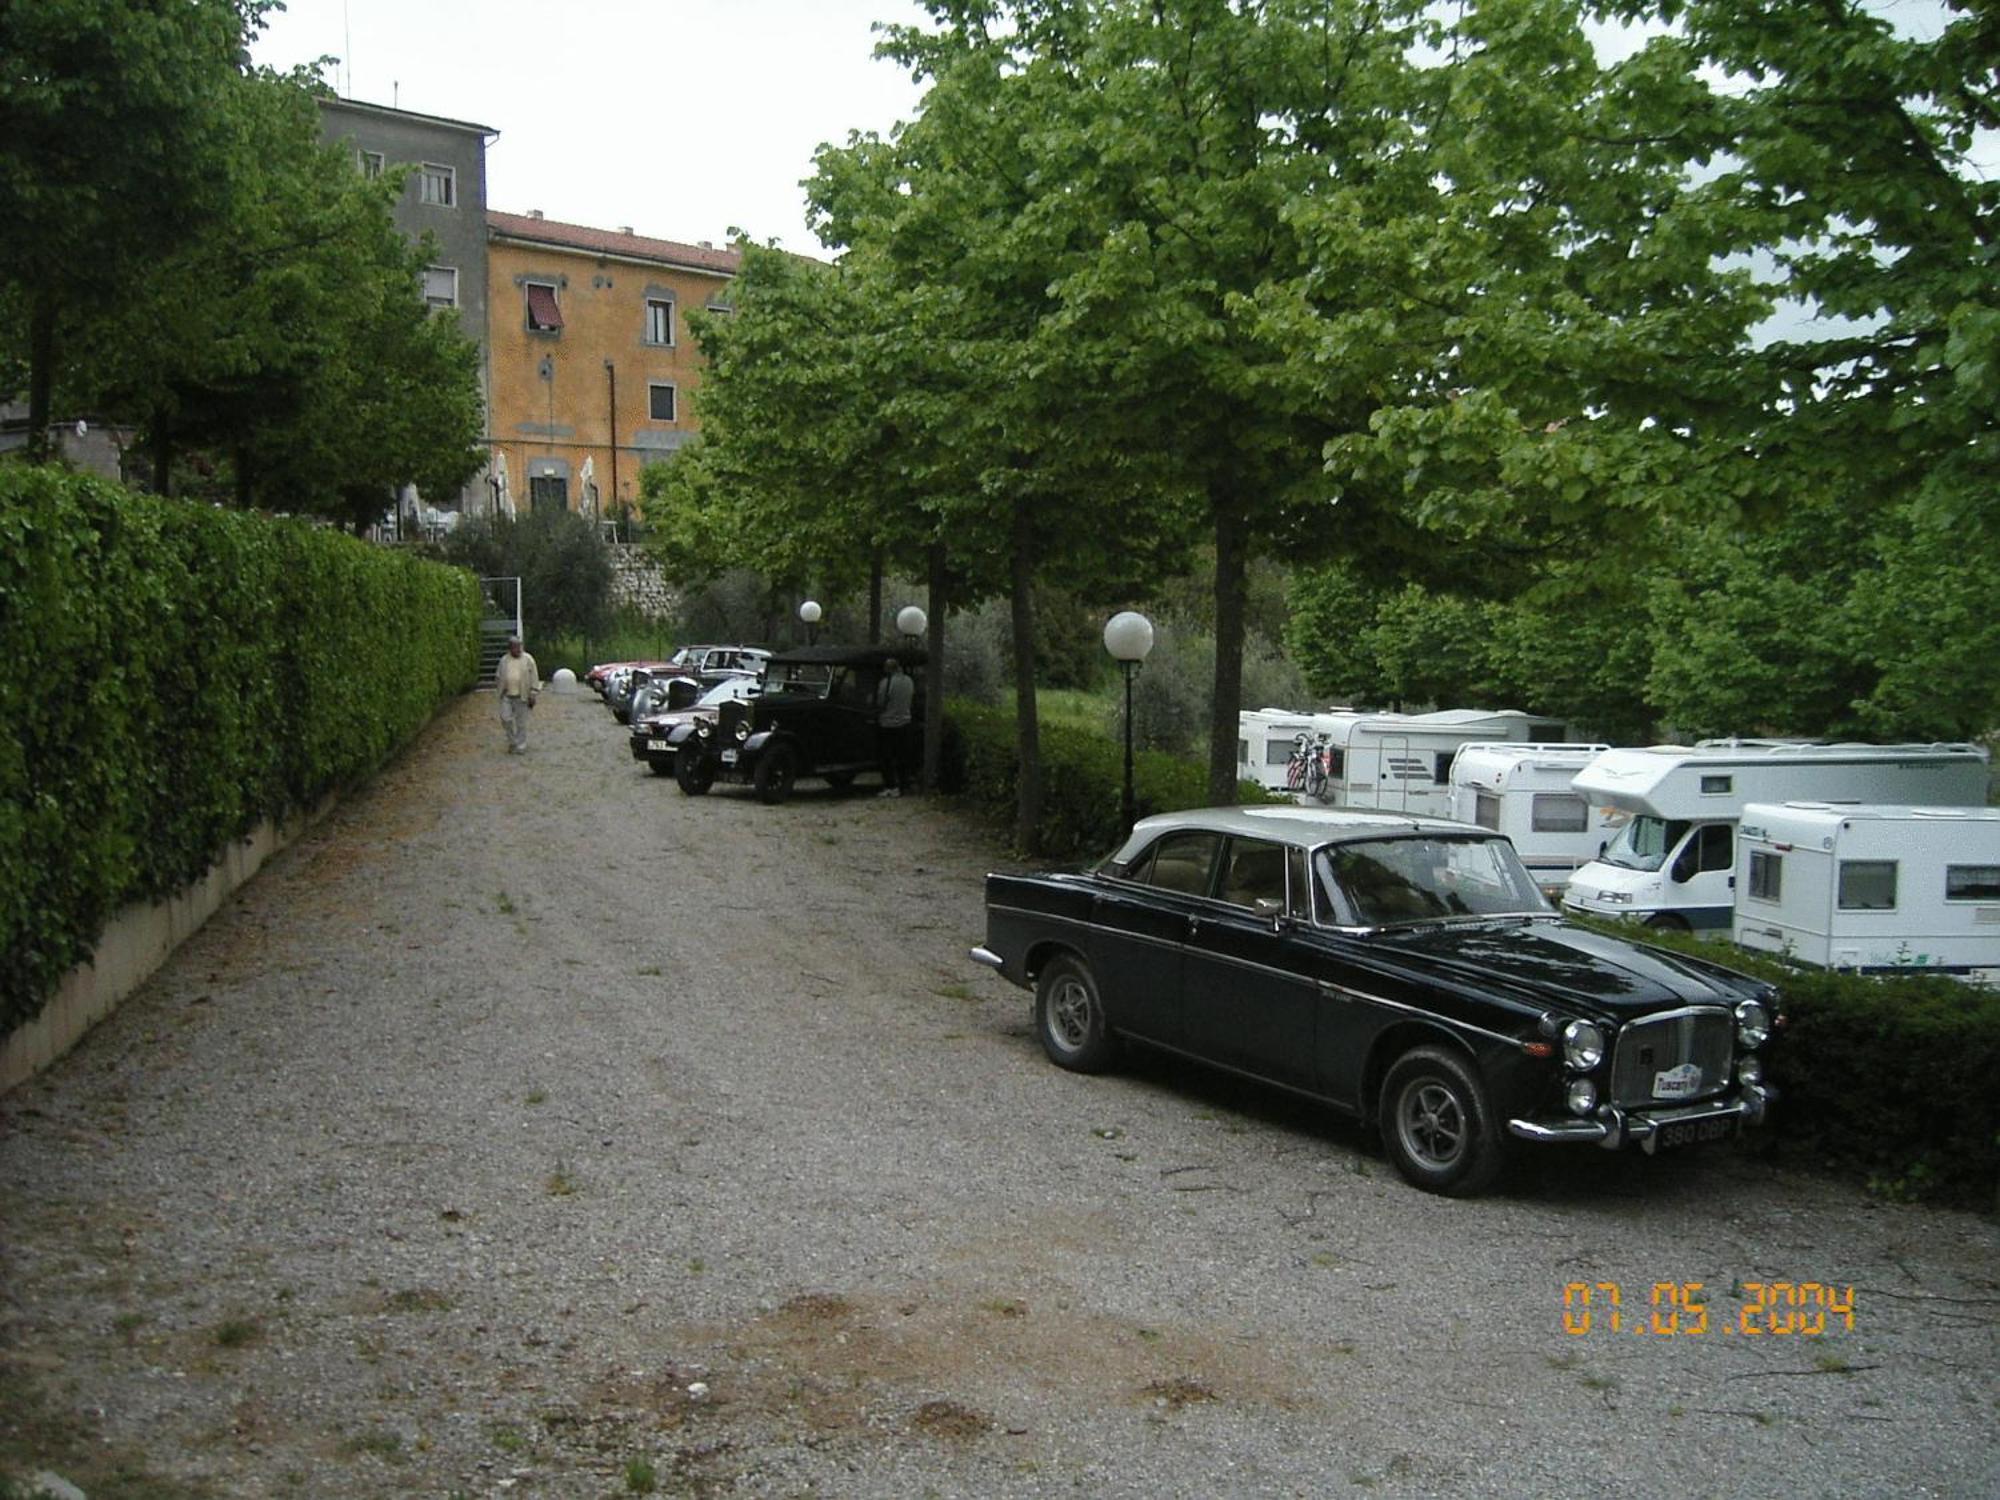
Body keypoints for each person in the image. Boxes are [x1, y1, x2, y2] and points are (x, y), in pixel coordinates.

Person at [875, 657, 916, 797]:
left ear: (888, 669)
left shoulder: (886, 683)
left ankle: (890, 786)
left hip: (888, 723)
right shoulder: (909, 681)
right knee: (903, 756)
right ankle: (904, 785)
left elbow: (881, 703)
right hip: (905, 722)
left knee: (886, 757)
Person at [496, 635, 540, 754]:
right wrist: (500, 688)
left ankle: (521, 745)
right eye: (515, 647)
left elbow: (534, 677)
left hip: (522, 695)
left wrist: (533, 692)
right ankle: (512, 742)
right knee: (505, 719)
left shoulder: (528, 659)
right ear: (510, 648)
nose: (518, 649)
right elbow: (498, 676)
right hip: (507, 695)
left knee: (521, 723)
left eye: (519, 646)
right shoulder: (504, 660)